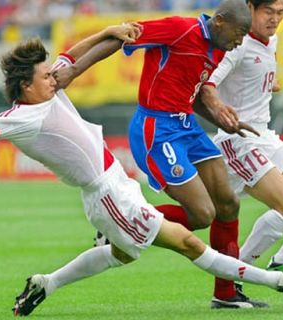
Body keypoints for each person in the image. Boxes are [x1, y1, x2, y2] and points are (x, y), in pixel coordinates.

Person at [0, 26, 283, 316]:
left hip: (114, 184)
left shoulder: (49, 89)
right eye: (43, 76)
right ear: (26, 86)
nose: (52, 77)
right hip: (106, 194)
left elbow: (71, 56)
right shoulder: (21, 117)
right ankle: (278, 281)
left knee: (122, 255)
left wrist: (107, 31)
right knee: (189, 243)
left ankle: (47, 282)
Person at [55, 0, 269, 308]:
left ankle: (225, 294)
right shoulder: (180, 29)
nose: (241, 41)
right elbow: (122, 36)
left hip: (187, 126)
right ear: (220, 21)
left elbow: (190, 94)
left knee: (228, 203)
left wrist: (220, 119)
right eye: (240, 32)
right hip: (157, 130)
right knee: (202, 215)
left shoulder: (220, 47)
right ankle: (119, 228)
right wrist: (73, 71)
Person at [200, 0, 283, 279]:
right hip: (238, 140)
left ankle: (282, 260)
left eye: (280, 13)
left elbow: (253, 75)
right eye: (268, 12)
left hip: (265, 137)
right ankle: (236, 277)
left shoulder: (270, 40)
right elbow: (208, 84)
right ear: (250, 9)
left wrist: (268, 83)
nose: (275, 19)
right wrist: (220, 108)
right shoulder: (236, 45)